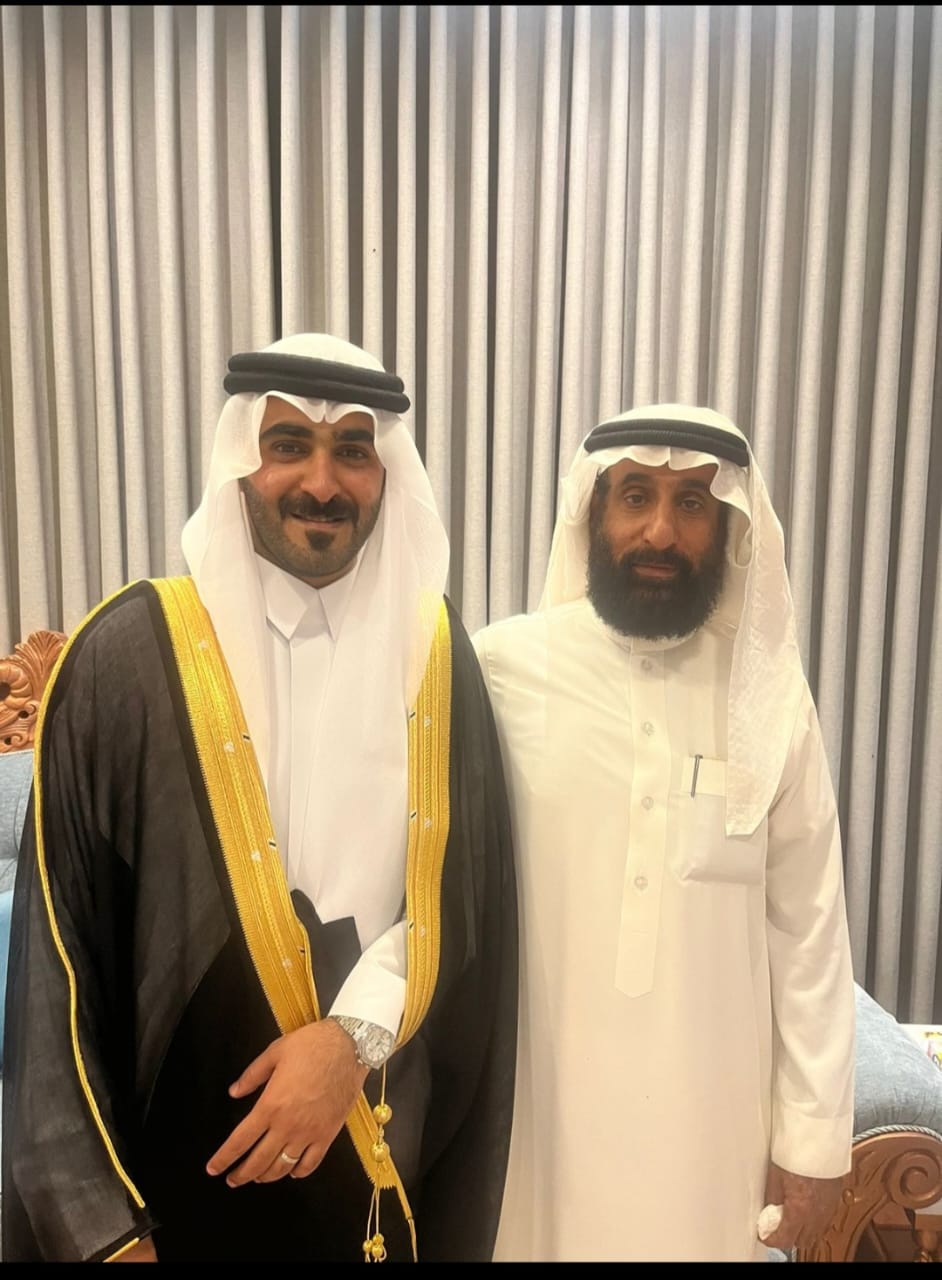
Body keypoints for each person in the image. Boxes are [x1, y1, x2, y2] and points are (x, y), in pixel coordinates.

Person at [2, 333, 517, 1263]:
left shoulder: (438, 657)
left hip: (370, 1157)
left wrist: (350, 1040)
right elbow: (59, 960)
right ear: (243, 459)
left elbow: (464, 905)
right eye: (289, 445)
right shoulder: (128, 654)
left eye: (353, 450)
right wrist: (101, 1232)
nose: (322, 481)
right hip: (167, 1181)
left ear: (387, 472)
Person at [473, 404, 855, 1262]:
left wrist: (813, 1138)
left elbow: (808, 927)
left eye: (692, 504)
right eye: (636, 496)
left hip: (706, 1127)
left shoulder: (768, 696)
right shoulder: (500, 668)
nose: (660, 531)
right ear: (593, 510)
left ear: (730, 527)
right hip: (536, 1113)